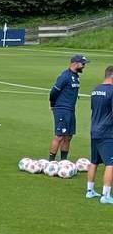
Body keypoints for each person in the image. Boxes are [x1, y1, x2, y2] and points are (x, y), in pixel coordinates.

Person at [48, 55, 87, 161]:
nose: (84, 66)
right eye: (83, 64)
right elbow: (54, 91)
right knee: (59, 136)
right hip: (62, 109)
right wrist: (52, 104)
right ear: (75, 63)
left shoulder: (76, 76)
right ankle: (51, 162)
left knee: (68, 136)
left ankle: (64, 161)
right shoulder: (65, 76)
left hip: (70, 110)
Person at [86, 65, 113, 203]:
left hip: (94, 129)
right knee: (111, 163)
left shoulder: (96, 89)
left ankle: (90, 191)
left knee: (94, 161)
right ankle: (106, 195)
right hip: (107, 132)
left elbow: (94, 108)